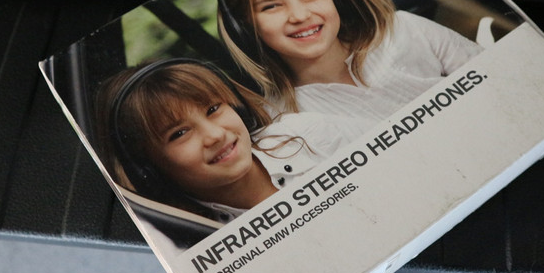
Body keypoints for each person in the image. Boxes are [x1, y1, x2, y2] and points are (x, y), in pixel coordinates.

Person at [216, 0, 482, 126]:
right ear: (243, 26)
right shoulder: (281, 121)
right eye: (271, 6)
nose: (299, 15)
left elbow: (497, 76)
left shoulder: (405, 29)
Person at [96, 58, 362, 226]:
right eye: (179, 133)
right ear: (146, 168)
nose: (215, 135)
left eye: (213, 109)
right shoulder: (191, 235)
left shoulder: (309, 133)